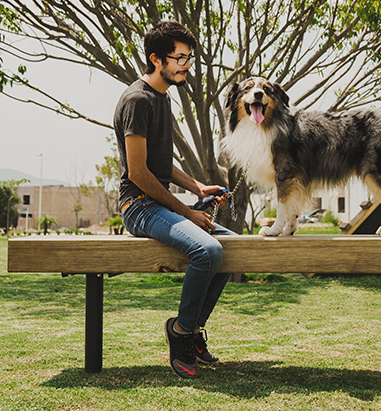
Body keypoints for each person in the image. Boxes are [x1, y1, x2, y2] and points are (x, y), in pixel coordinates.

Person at [114, 21, 235, 380]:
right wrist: (188, 213)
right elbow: (138, 173)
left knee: (232, 246)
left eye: (188, 57)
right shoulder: (137, 100)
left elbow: (162, 164)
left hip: (157, 204)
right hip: (137, 206)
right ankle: (181, 334)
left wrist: (198, 188)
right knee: (208, 251)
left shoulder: (161, 98)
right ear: (155, 58)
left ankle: (192, 328)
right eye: (179, 58)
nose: (186, 65)